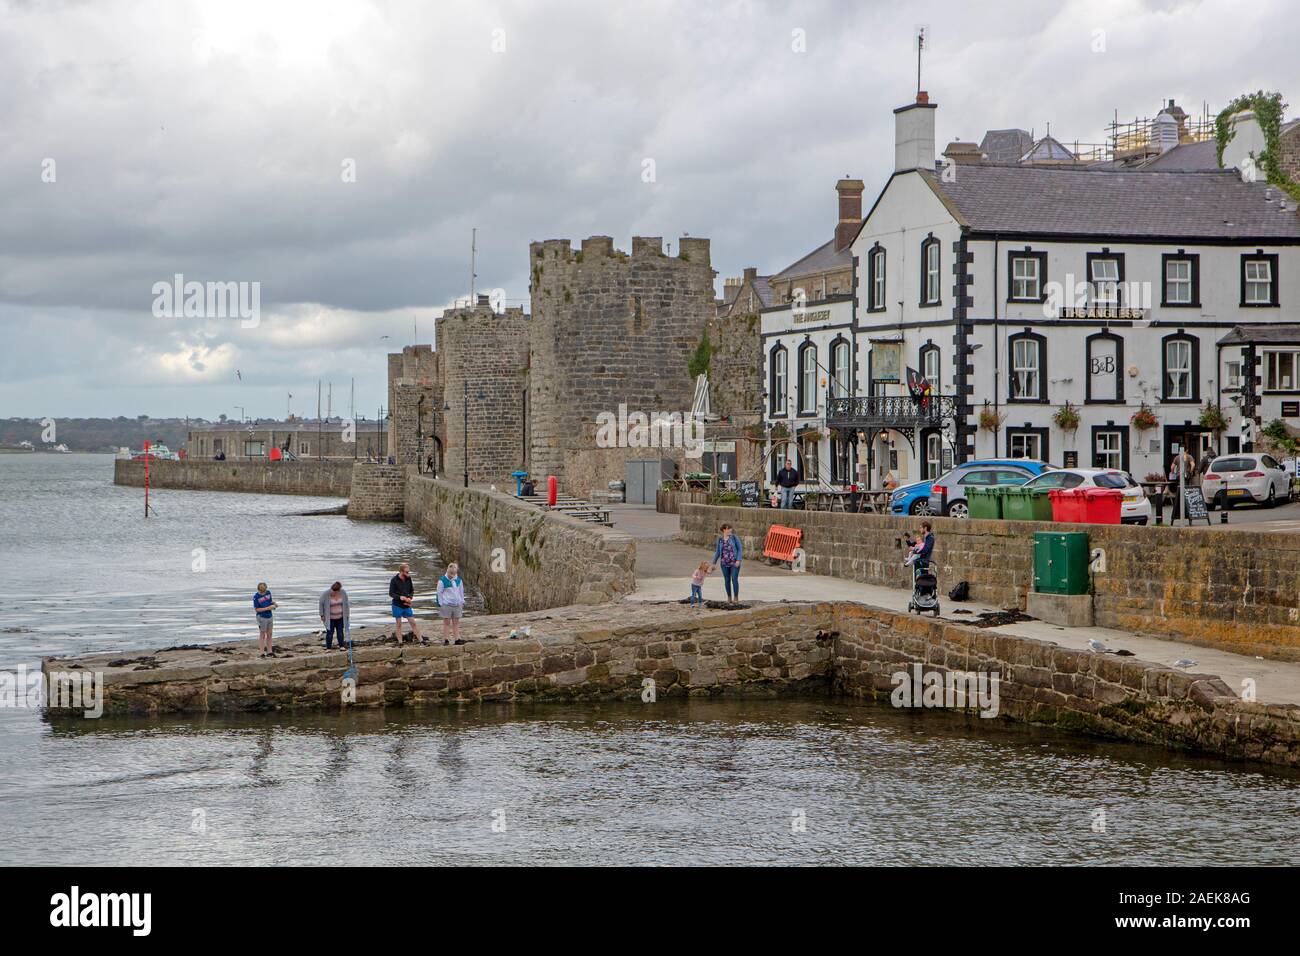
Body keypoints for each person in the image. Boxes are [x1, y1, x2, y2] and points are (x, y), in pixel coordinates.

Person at [389, 563, 422, 645]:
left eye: (408, 572)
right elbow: (391, 593)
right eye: (406, 572)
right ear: (401, 571)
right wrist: (400, 597)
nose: (408, 574)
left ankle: (421, 640)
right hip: (397, 604)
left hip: (407, 605)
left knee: (413, 623)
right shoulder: (394, 580)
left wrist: (410, 598)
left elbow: (412, 590)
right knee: (399, 624)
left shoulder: (408, 579)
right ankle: (400, 642)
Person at [710, 523, 743, 604]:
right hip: (724, 563)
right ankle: (729, 597)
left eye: (731, 528)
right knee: (727, 580)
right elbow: (718, 551)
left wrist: (738, 560)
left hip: (734, 563)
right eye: (729, 528)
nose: (730, 530)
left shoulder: (734, 538)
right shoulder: (720, 540)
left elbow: (740, 549)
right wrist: (714, 562)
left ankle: (736, 597)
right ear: (724, 530)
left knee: (734, 579)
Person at [436, 562, 466, 643]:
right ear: (447, 570)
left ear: (456, 572)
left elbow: (461, 592)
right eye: (450, 573)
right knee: (446, 623)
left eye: (454, 573)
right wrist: (441, 604)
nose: (452, 574)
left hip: (457, 604)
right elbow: (439, 593)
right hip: (446, 605)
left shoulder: (459, 580)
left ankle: (457, 639)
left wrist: (461, 602)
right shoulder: (442, 580)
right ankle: (446, 639)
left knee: (456, 622)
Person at [319, 581, 349, 650]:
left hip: (340, 617)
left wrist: (347, 615)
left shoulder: (343, 593)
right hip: (330, 618)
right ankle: (328, 648)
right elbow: (321, 604)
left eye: (336, 591)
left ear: (339, 590)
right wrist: (322, 615)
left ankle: (341, 646)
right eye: (333, 590)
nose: (334, 592)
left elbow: (346, 605)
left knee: (340, 632)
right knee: (330, 633)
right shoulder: (326, 594)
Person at [252, 582, 276, 657]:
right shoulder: (256, 597)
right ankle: (262, 652)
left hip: (270, 616)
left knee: (269, 634)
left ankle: (269, 651)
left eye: (265, 591)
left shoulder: (268, 593)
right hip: (261, 617)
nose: (264, 592)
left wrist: (274, 604)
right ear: (259, 590)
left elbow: (270, 601)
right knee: (262, 634)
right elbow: (257, 609)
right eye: (263, 591)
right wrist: (268, 608)